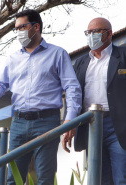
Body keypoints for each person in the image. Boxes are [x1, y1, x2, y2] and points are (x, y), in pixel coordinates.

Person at [0, 9, 82, 185]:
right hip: (18, 122)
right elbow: (0, 86)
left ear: (36, 27)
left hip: (47, 122)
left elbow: (72, 87)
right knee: (13, 179)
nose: (18, 32)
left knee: (45, 178)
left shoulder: (57, 54)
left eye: (22, 27)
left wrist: (70, 119)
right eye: (16, 29)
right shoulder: (12, 58)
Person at [62, 17, 126, 185]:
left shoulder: (123, 55)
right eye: (88, 32)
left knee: (121, 177)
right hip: (91, 125)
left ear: (109, 34)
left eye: (96, 31)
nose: (91, 35)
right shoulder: (81, 63)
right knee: (98, 178)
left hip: (118, 125)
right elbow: (73, 94)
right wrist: (70, 124)